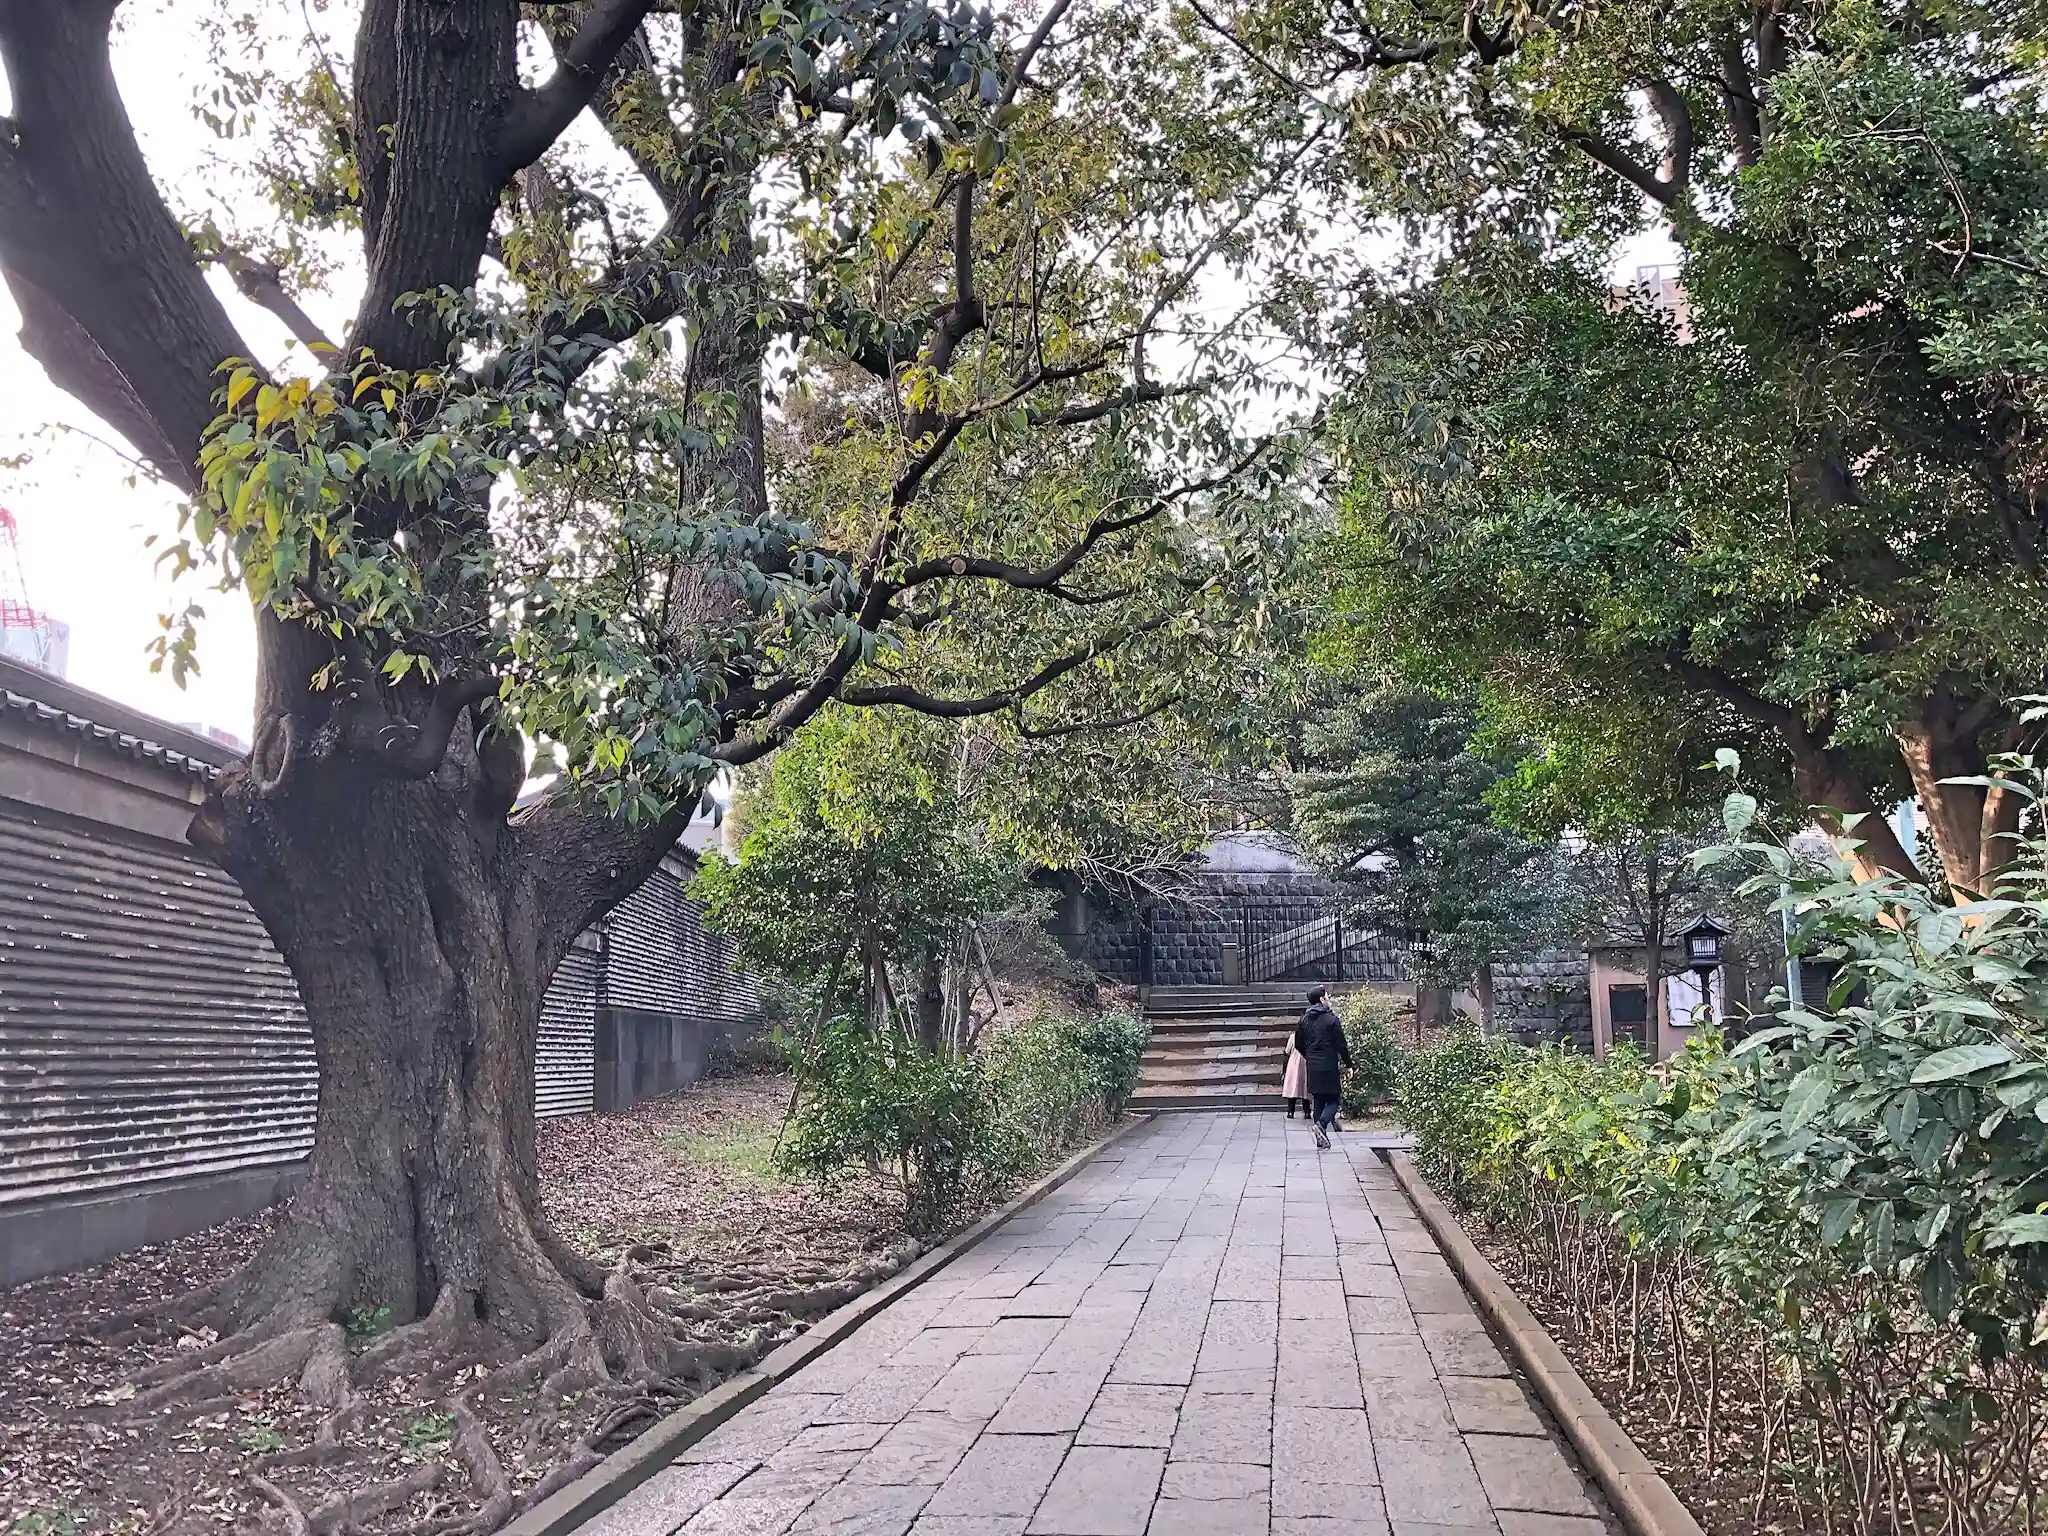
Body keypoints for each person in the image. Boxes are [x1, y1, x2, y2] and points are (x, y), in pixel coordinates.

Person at [1293, 986, 1352, 1150]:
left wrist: (1309, 1055)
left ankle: (1321, 1137)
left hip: (1312, 1065)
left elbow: (1298, 1044)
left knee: (1318, 1100)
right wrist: (1348, 1064)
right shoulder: (1331, 1020)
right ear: (1321, 999)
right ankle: (1322, 1124)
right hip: (1328, 1064)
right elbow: (1341, 1045)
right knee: (1334, 1099)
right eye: (1327, 996)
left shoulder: (1303, 1020)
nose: (1329, 998)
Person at [1282, 1031, 1308, 1118]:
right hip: (1306, 1062)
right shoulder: (1310, 1035)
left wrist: (1284, 1070)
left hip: (1294, 1064)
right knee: (1305, 1088)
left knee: (1293, 1087)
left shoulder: (1293, 1037)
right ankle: (1307, 1111)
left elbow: (1287, 1051)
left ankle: (1291, 1111)